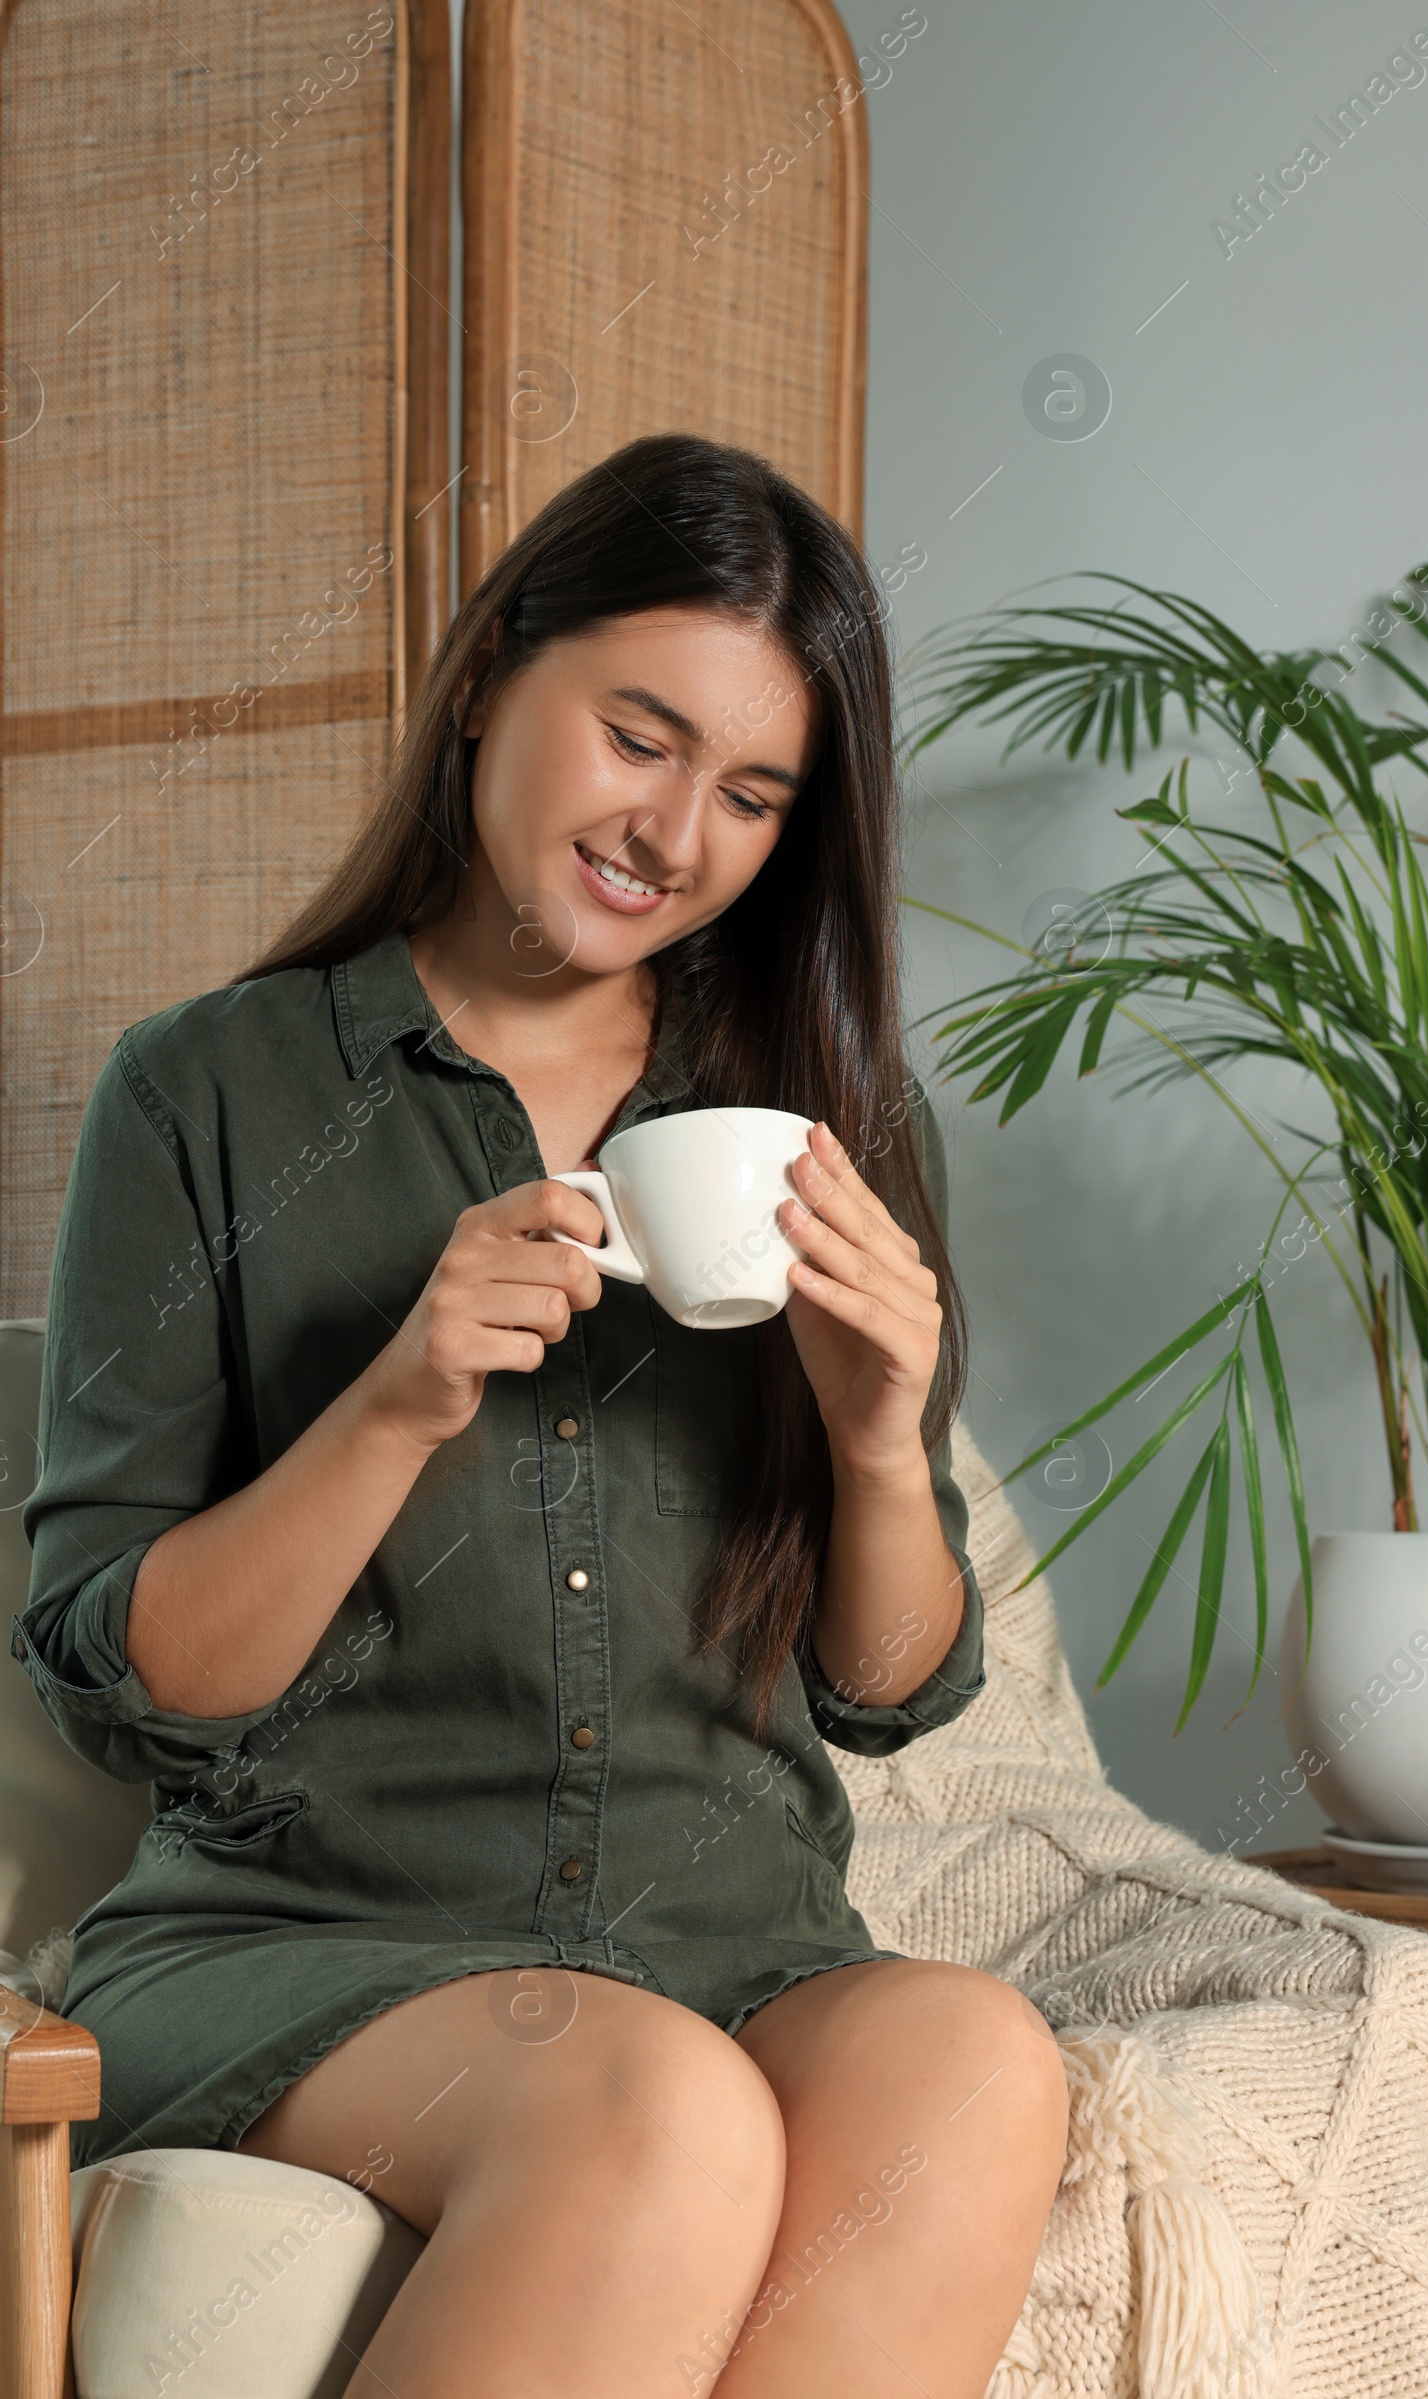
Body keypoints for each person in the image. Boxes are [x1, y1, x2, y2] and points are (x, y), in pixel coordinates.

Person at [17, 433, 1070, 2396]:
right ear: (497, 666)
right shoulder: (207, 1094)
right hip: (305, 1932)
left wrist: (871, 1439)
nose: (677, 834)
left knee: (972, 2063)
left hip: (742, 1927)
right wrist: (396, 1401)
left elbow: (888, 1686)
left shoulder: (820, 1122)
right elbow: (126, 1676)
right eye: (640, 736)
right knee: (649, 2108)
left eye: (751, 794)